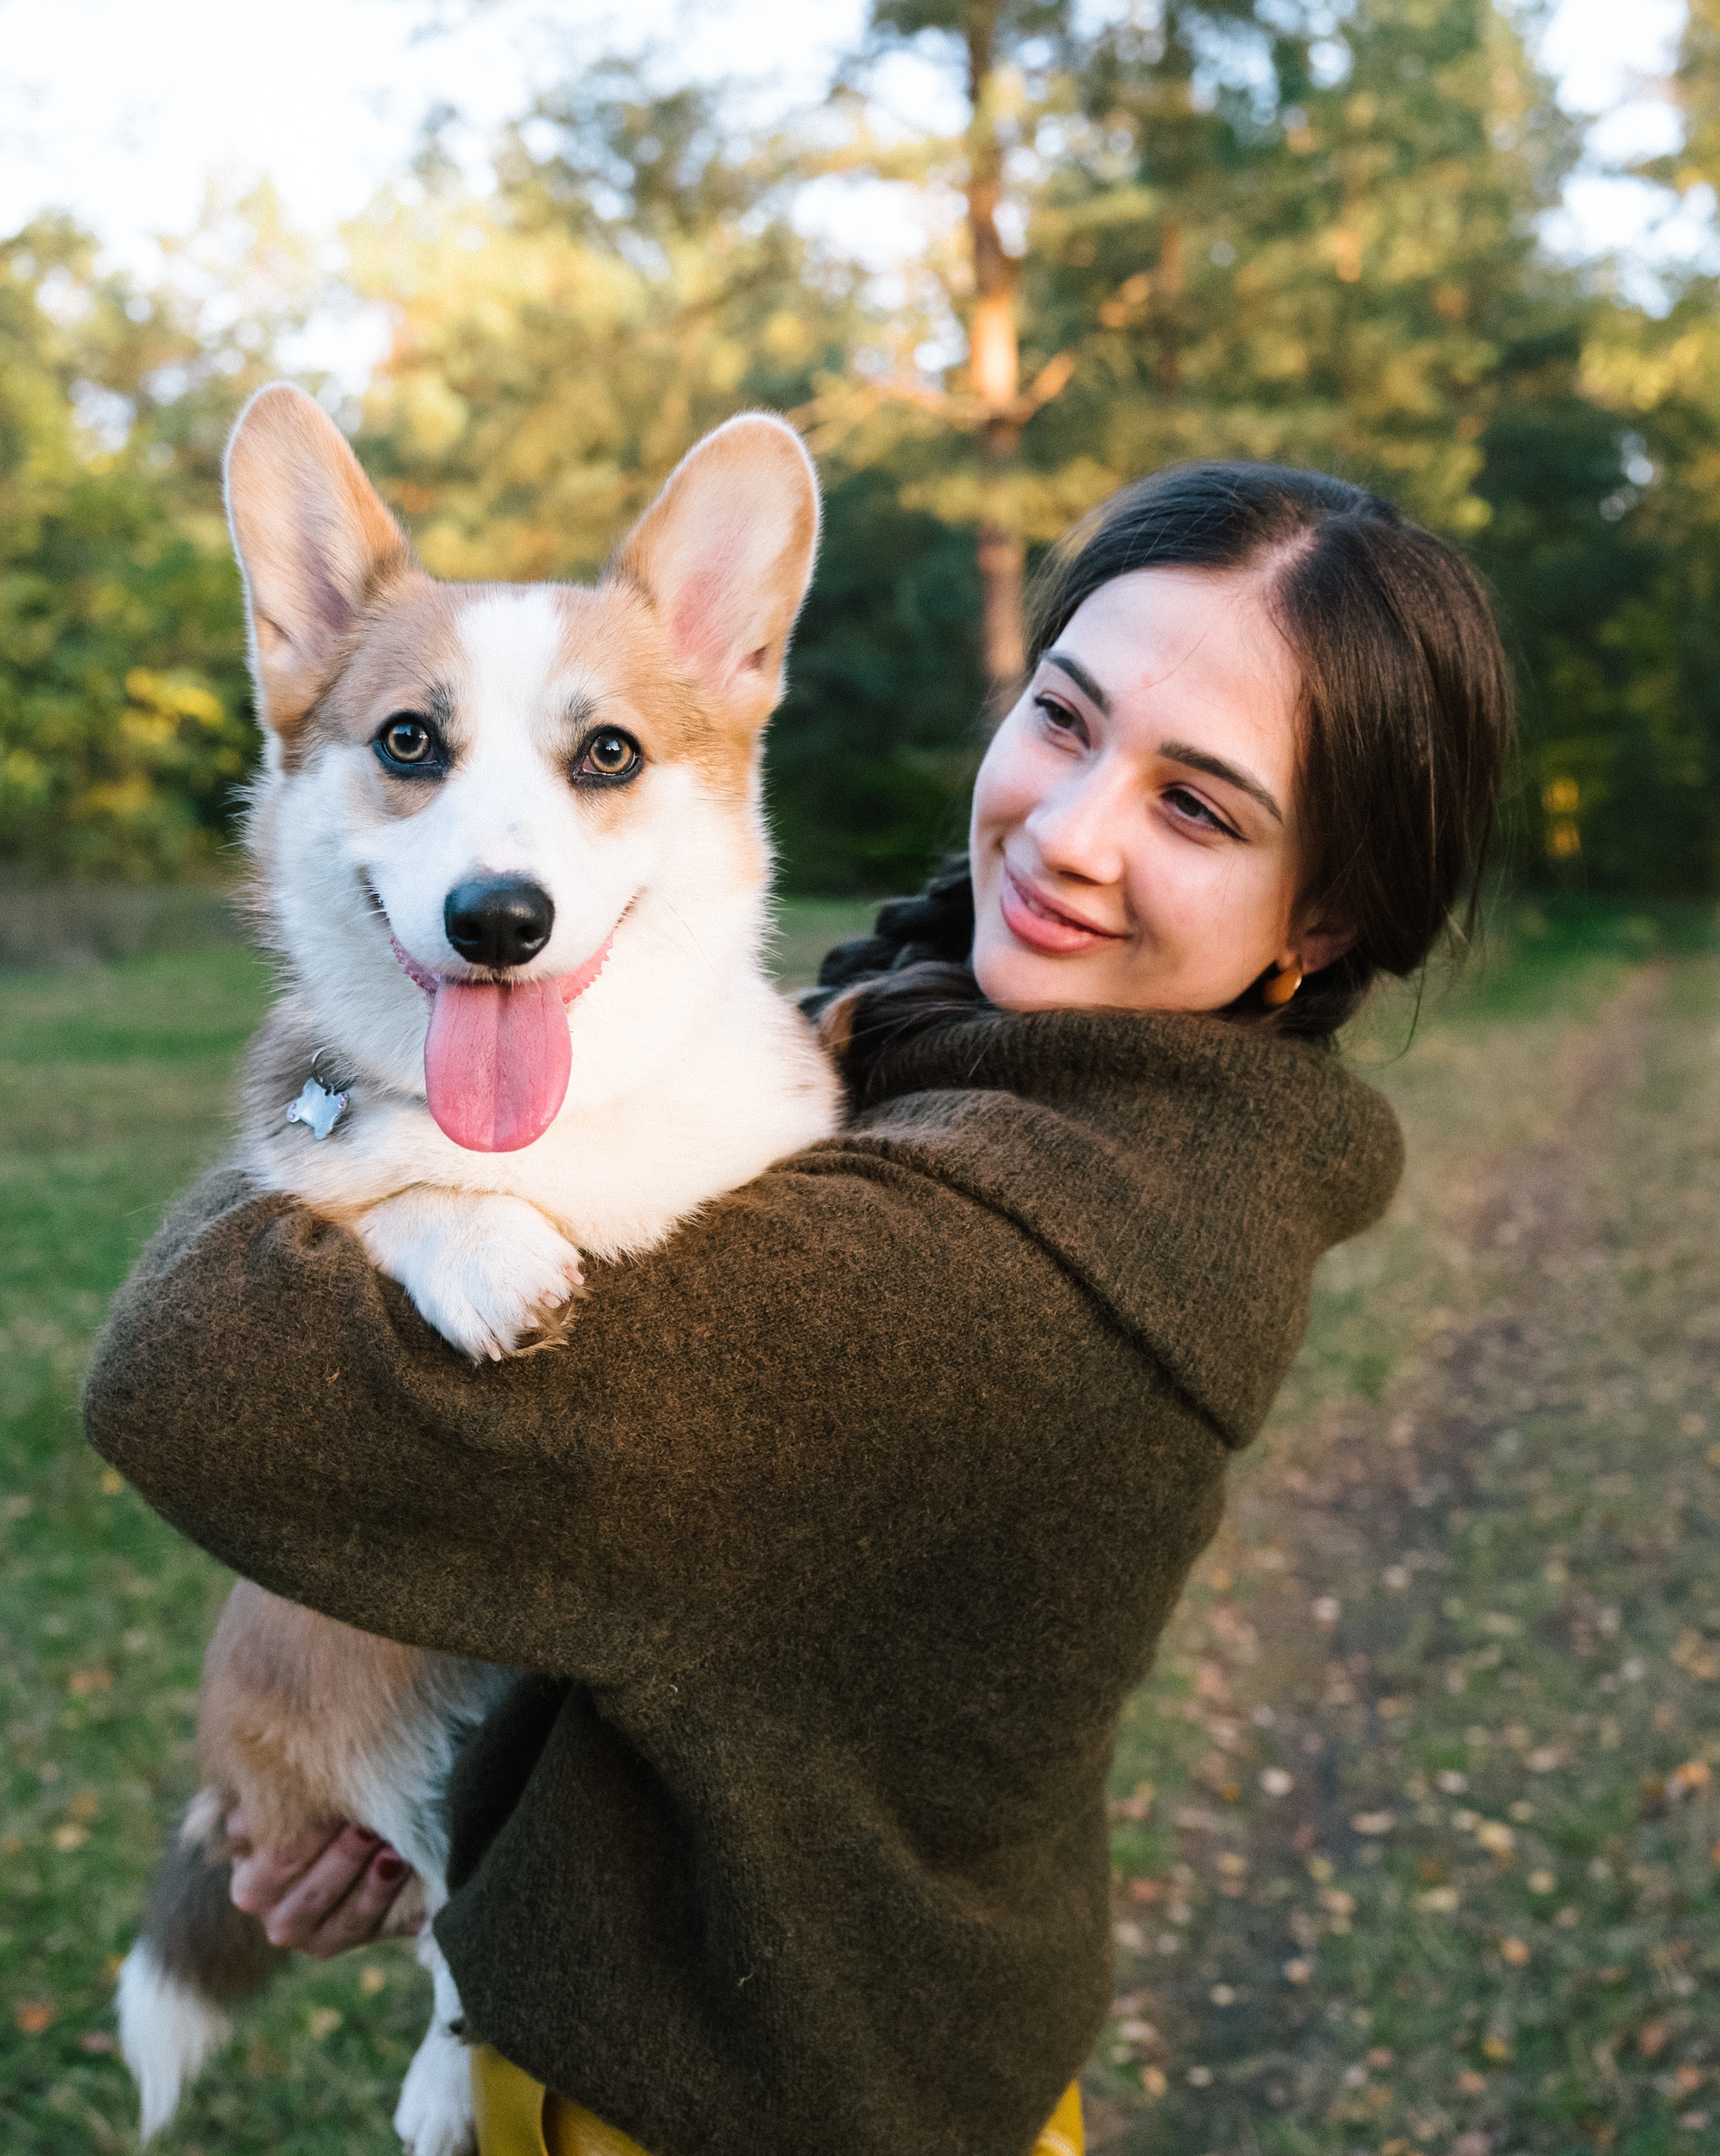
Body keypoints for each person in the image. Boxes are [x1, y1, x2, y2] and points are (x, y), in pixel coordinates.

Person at [81, 459, 1515, 2154]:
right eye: (1064, 718)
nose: (1069, 831)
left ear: (1324, 920)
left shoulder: (1026, 1268)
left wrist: (341, 1102)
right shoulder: (920, 1025)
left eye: (1198, 807)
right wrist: (345, 1099)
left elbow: (189, 1371)